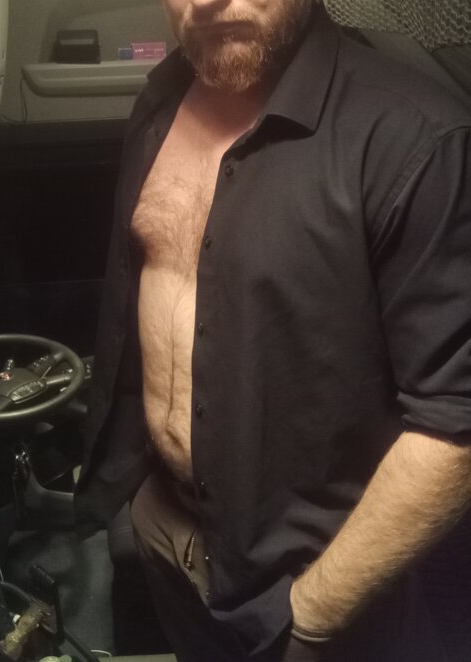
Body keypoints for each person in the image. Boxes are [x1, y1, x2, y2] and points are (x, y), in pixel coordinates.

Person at [75, 0, 471, 660]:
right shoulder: (159, 101)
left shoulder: (417, 138)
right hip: (167, 527)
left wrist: (311, 615)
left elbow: (454, 423)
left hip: (318, 585)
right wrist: (138, 494)